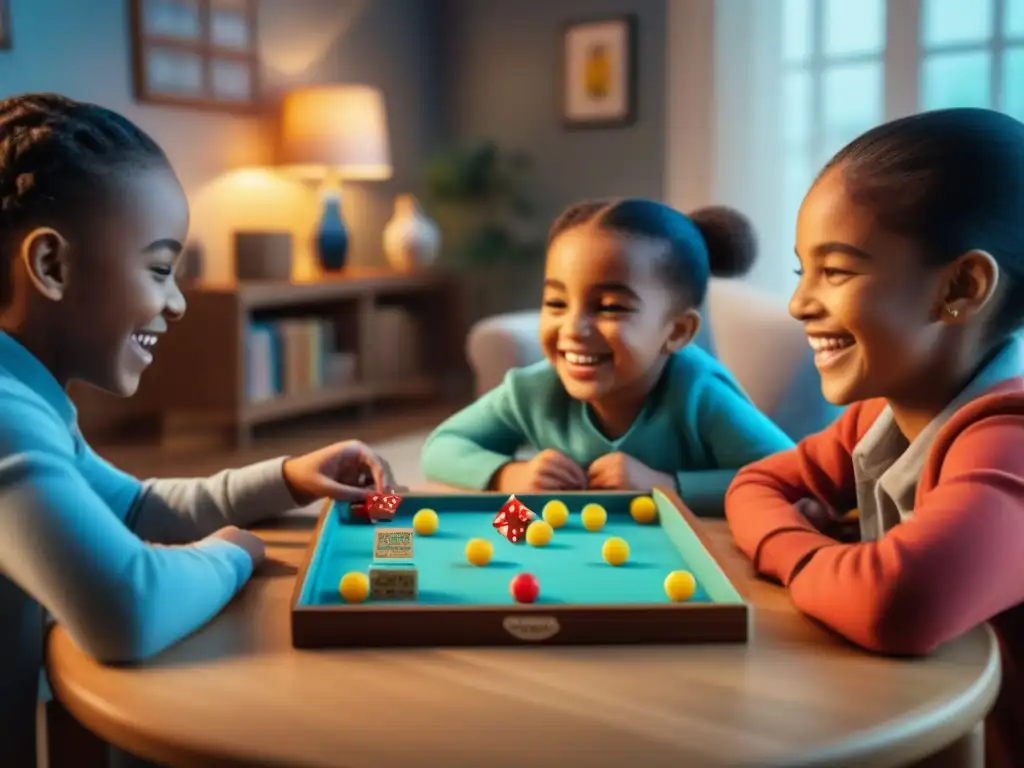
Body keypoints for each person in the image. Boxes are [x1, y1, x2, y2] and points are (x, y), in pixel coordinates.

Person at [0, 93, 398, 768]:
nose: (179, 303)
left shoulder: (29, 403)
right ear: (51, 268)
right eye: (160, 269)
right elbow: (125, 608)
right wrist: (232, 554)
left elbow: (135, 508)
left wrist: (286, 478)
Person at [725, 108, 1024, 767]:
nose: (799, 303)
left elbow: (896, 603)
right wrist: (833, 559)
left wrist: (796, 547)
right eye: (802, 270)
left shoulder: (1010, 440)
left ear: (961, 287)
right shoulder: (882, 414)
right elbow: (758, 481)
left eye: (835, 272)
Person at [421, 197, 794, 514]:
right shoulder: (531, 390)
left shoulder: (700, 394)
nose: (573, 329)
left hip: (672, 564)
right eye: (556, 302)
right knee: (479, 541)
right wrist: (508, 474)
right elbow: (439, 448)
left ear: (677, 331)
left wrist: (668, 486)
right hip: (561, 549)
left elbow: (791, 477)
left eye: (610, 307)